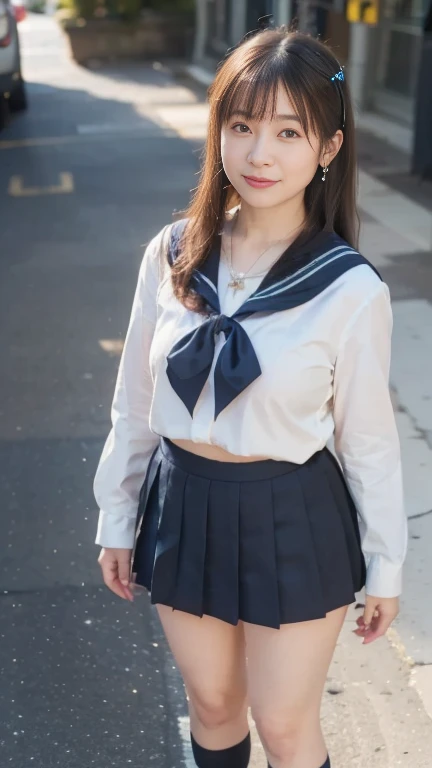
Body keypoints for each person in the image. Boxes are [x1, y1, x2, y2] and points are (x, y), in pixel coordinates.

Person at [93, 24, 408, 768]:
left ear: (327, 148)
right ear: (219, 132)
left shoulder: (350, 290)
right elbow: (135, 399)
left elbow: (367, 439)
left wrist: (386, 566)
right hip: (183, 504)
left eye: (288, 131)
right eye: (241, 126)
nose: (259, 153)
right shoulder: (172, 253)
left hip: (290, 514)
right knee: (212, 705)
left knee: (286, 725)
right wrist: (116, 512)